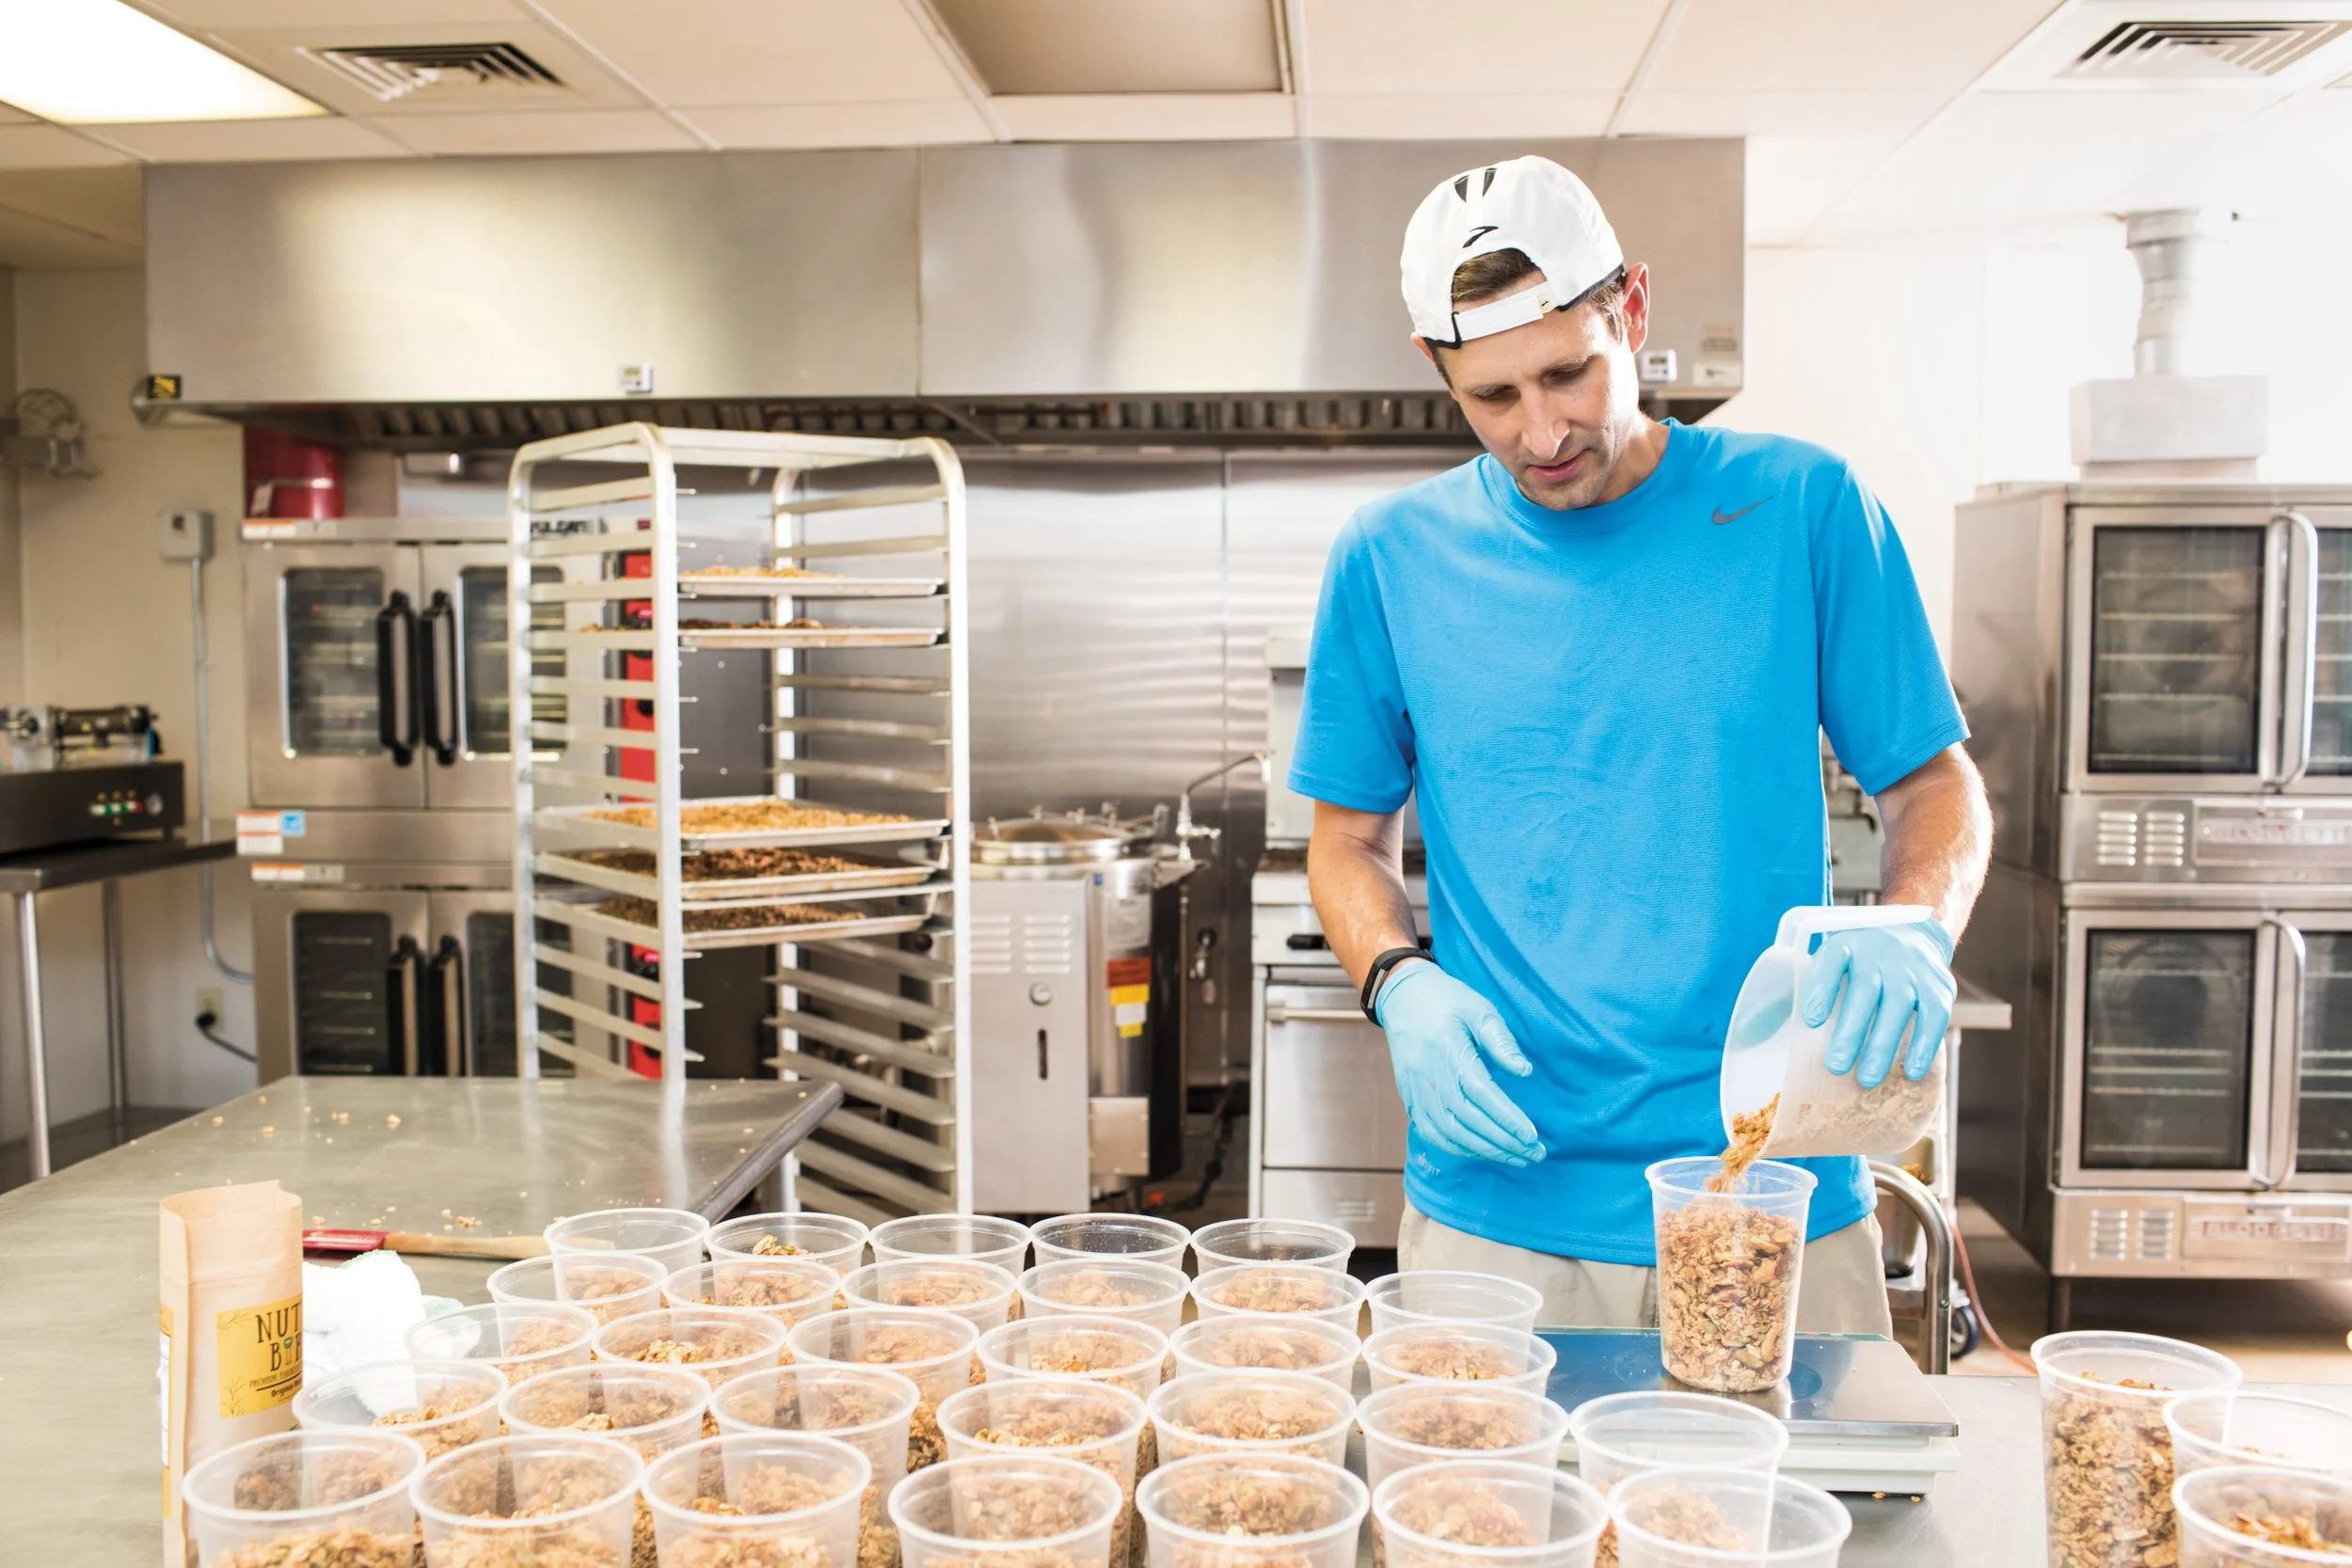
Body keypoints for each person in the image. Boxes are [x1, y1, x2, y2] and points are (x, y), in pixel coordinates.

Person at [1291, 155, 1992, 1330]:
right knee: (1492, 1518)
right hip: (1498, 1211)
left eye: (1569, 371)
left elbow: (1935, 785)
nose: (1542, 429)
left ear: (1635, 310)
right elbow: (1345, 841)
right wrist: (1394, 978)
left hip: (1773, 1192)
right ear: (1437, 372)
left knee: (1800, 1515)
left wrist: (1918, 920)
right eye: (1493, 397)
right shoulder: (1387, 558)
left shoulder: (1803, 509)